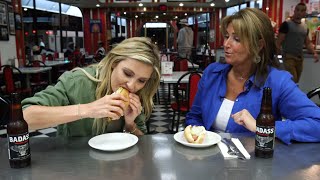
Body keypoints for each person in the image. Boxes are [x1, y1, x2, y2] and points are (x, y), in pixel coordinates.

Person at [185, 8, 320, 145]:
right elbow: (195, 117)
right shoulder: (212, 73)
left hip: (254, 163)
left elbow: (317, 124)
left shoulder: (277, 82)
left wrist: (262, 128)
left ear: (259, 45)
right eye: (227, 36)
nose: (226, 44)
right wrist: (197, 136)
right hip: (209, 160)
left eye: (236, 39)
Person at [21, 37, 161, 137]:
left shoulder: (138, 92)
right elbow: (25, 118)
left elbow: (142, 142)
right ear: (113, 63)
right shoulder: (77, 81)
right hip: (73, 163)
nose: (132, 85)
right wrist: (89, 109)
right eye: (127, 73)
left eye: (141, 80)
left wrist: (130, 124)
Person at [276, 3, 319, 83]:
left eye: (302, 10)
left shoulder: (305, 27)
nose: (299, 12)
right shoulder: (286, 24)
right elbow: (279, 41)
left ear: (304, 13)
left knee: (296, 82)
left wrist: (314, 53)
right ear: (294, 11)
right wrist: (276, 57)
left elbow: (308, 42)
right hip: (288, 57)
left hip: (299, 58)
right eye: (298, 10)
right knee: (292, 80)